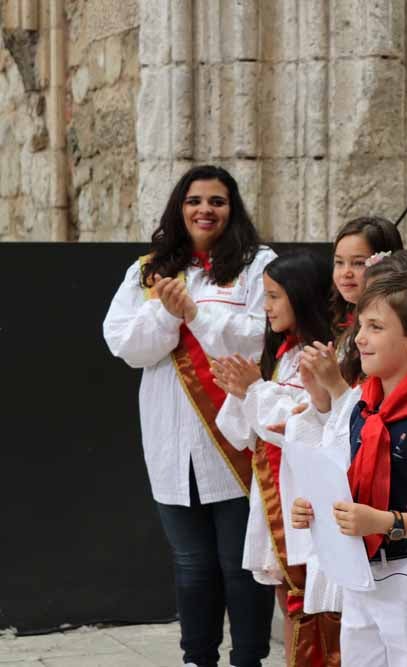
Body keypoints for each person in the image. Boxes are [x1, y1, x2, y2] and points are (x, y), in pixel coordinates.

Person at [103, 164, 277, 667]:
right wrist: (165, 310)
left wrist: (196, 313)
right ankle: (196, 660)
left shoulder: (257, 264)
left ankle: (248, 659)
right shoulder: (147, 270)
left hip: (234, 438)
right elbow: (127, 345)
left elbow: (257, 337)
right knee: (192, 566)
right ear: (179, 209)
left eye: (217, 201)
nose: (205, 209)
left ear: (233, 207)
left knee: (241, 566)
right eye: (195, 200)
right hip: (170, 438)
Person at [290, 271, 407, 666]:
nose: (358, 338)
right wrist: (318, 511)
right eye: (360, 326)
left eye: (375, 327)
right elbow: (351, 486)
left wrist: (384, 521)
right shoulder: (363, 409)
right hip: (363, 569)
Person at [213, 251, 341, 667]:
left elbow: (308, 422)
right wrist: (242, 390)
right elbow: (241, 433)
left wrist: (255, 392)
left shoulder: (324, 354)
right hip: (270, 491)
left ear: (301, 297)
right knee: (286, 595)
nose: (265, 307)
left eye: (273, 296)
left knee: (310, 598)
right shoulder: (281, 353)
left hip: (304, 494)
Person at [329, 216, 404, 357]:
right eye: (339, 262)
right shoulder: (347, 321)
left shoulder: (394, 331)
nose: (346, 273)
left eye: (358, 263)